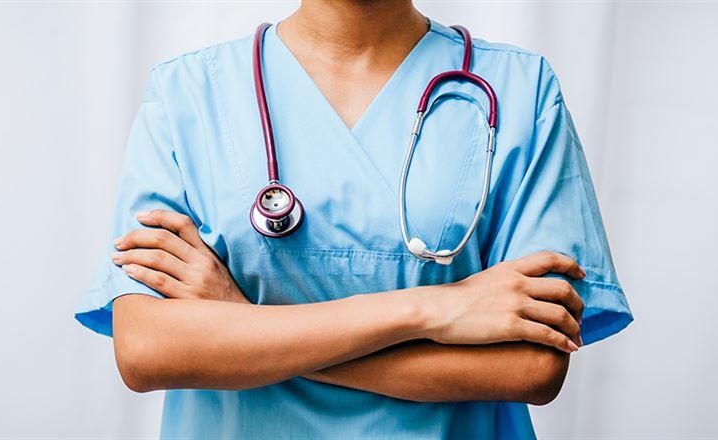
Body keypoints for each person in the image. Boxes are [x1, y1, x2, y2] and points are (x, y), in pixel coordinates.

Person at [75, 1, 634, 438]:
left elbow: (531, 367)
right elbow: (149, 350)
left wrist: (240, 322)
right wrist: (438, 307)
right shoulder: (187, 95)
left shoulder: (522, 90)